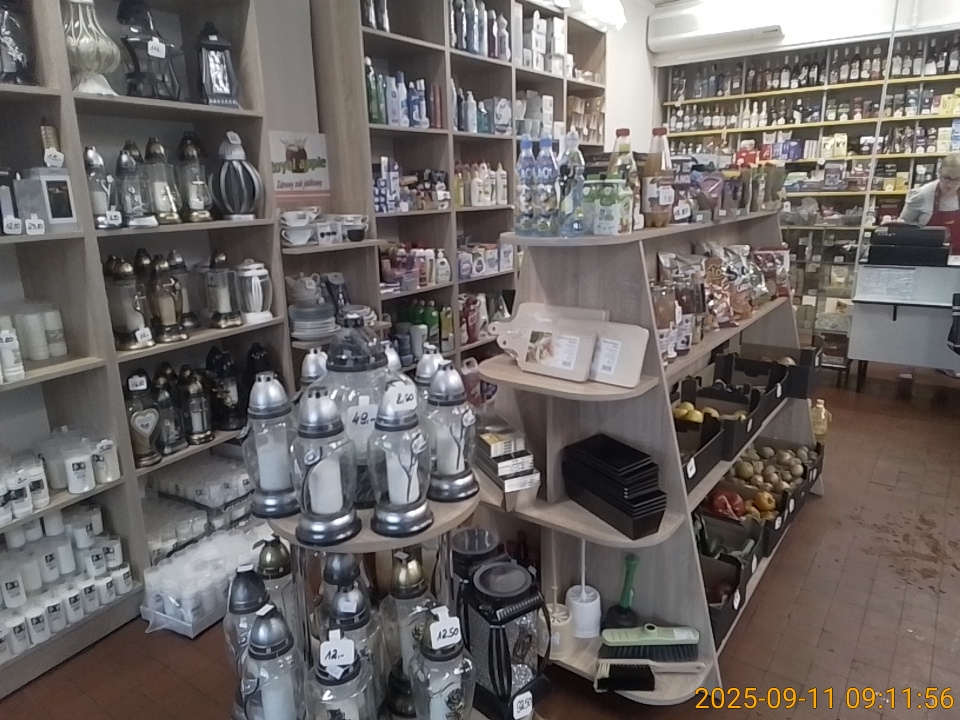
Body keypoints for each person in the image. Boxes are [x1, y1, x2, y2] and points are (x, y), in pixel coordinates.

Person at [894, 152, 960, 378]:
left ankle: (945, 360)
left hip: (956, 265)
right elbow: (904, 226)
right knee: (917, 314)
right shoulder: (922, 195)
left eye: (956, 179)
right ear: (939, 173)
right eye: (946, 178)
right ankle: (908, 363)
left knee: (950, 315)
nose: (950, 184)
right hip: (926, 263)